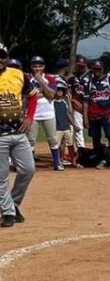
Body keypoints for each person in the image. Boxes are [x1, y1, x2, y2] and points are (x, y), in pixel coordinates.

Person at [0, 43, 38, 227]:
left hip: (18, 131)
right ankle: (7, 212)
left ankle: (13, 203)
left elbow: (32, 96)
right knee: (1, 176)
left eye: (2, 55)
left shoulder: (18, 75)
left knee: (28, 169)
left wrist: (30, 117)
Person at [83, 60, 110, 170]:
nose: (96, 71)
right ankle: (102, 159)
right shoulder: (89, 82)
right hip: (93, 115)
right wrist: (85, 117)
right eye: (94, 69)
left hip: (107, 114)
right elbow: (86, 101)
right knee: (95, 139)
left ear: (103, 69)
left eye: (99, 69)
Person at [27, 56, 63, 170]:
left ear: (43, 67)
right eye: (35, 66)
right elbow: (28, 96)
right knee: (31, 140)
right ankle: (30, 163)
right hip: (33, 113)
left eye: (39, 66)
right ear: (31, 67)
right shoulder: (28, 78)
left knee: (52, 138)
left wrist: (41, 81)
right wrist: (45, 93)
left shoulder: (49, 78)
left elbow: (53, 95)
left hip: (48, 113)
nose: (37, 68)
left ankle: (57, 162)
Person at [53, 81, 77, 167]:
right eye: (58, 90)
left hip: (66, 127)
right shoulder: (52, 102)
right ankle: (59, 160)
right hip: (57, 127)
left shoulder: (64, 102)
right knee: (57, 145)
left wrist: (69, 101)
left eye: (61, 90)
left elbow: (69, 113)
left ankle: (73, 160)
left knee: (70, 145)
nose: (59, 92)